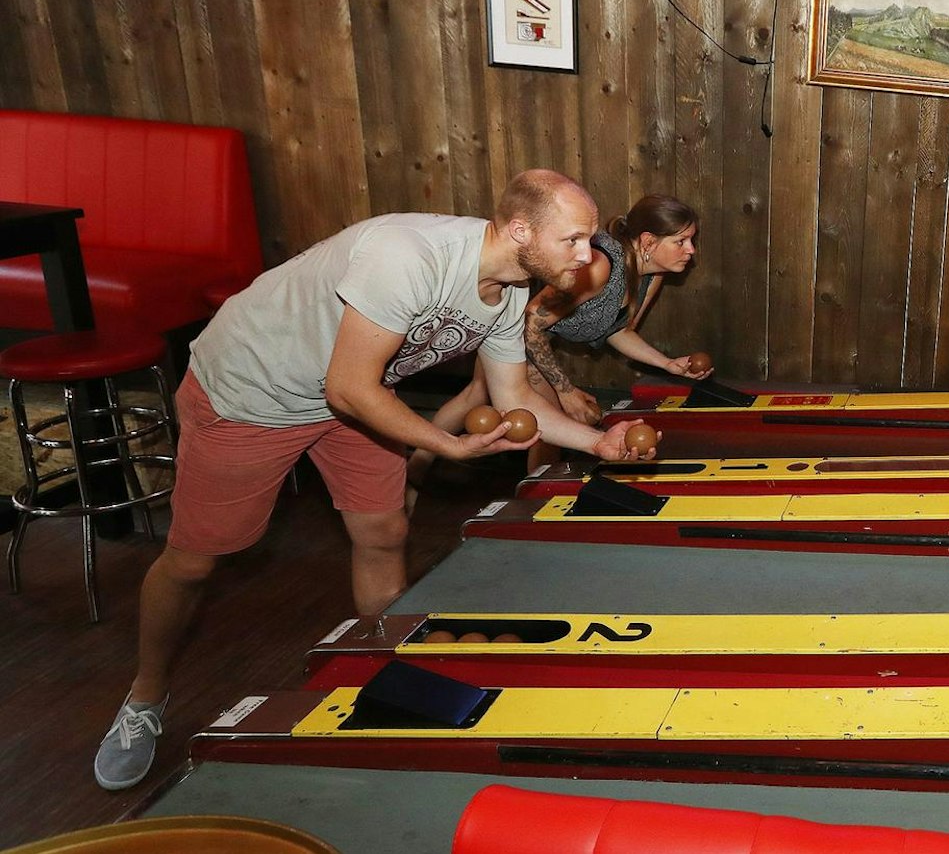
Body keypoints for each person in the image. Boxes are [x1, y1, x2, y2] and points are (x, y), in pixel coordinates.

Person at [92, 170, 647, 791]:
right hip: (253, 394)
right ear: (521, 230)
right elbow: (348, 387)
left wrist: (599, 442)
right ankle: (144, 700)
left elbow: (514, 395)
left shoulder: (512, 291)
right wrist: (447, 444)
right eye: (573, 239)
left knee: (384, 530)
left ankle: (393, 680)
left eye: (590, 239)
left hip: (351, 400)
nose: (586, 255)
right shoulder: (408, 256)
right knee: (195, 562)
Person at [409, 194, 710, 483]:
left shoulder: (652, 275)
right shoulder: (600, 266)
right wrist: (565, 391)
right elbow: (529, 322)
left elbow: (619, 331)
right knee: (544, 424)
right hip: (517, 331)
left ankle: (417, 468)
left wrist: (668, 364)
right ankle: (532, 500)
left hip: (531, 335)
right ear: (647, 242)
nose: (691, 250)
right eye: (681, 241)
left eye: (692, 241)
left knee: (476, 394)